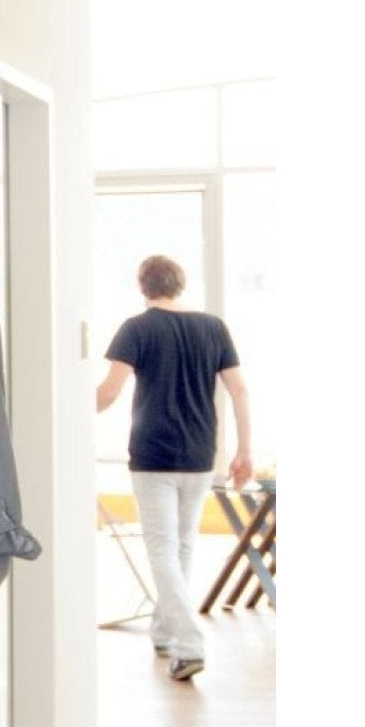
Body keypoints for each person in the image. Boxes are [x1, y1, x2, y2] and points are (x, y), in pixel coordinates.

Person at [95, 255, 252, 682]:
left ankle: (190, 642)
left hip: (153, 455)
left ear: (143, 286)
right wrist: (244, 450)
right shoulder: (213, 327)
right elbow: (239, 390)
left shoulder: (136, 328)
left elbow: (108, 393)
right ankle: (165, 631)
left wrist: (68, 411)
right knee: (181, 548)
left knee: (163, 550)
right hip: (200, 454)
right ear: (179, 284)